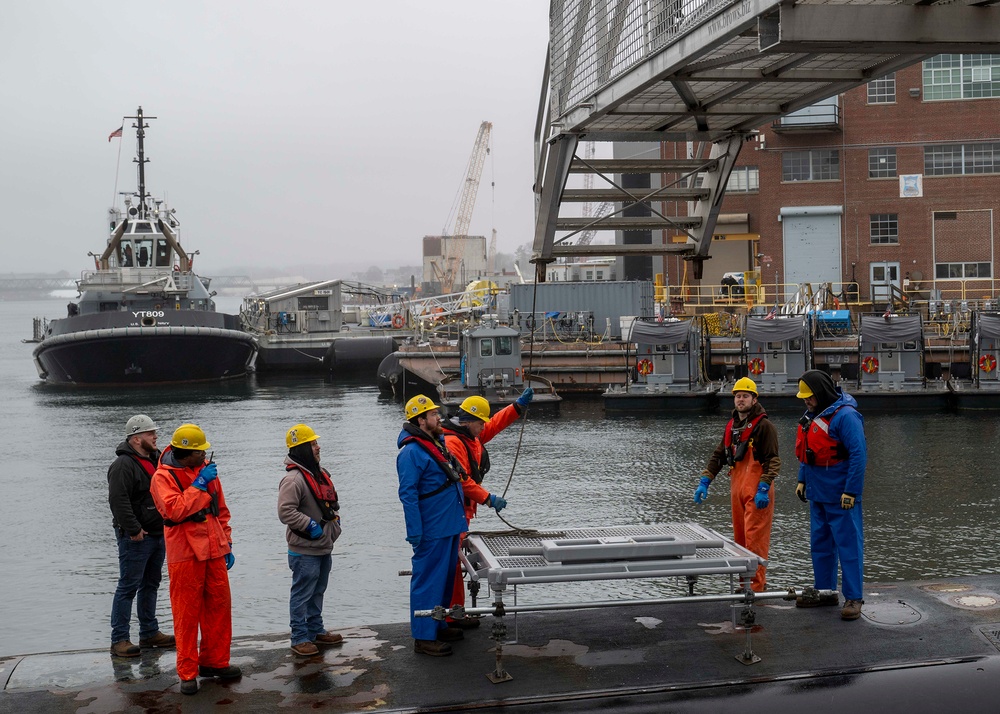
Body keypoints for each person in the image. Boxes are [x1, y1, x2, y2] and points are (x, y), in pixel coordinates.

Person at [150, 423, 240, 695]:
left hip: (213, 549)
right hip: (185, 553)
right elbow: (175, 511)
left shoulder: (207, 472)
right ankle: (187, 672)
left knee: (219, 607)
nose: (204, 455)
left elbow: (220, 510)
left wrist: (227, 542)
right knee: (186, 613)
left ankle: (214, 662)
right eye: (199, 452)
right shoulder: (162, 478)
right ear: (184, 453)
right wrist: (199, 485)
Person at [441, 388, 533, 626]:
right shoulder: (454, 443)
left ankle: (455, 612)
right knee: (452, 562)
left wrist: (517, 407)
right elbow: (462, 480)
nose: (484, 427)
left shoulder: (469, 435)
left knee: (455, 560)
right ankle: (454, 616)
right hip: (454, 510)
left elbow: (494, 425)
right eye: (480, 423)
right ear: (469, 421)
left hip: (461, 510)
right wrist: (488, 498)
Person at [396, 395, 468, 657]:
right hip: (432, 529)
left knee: (445, 578)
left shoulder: (436, 445)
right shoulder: (411, 453)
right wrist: (414, 531)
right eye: (433, 414)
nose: (439, 418)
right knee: (427, 580)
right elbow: (408, 494)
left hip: (448, 525)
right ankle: (424, 637)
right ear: (421, 419)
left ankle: (437, 624)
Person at [693, 377, 780, 592]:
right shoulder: (731, 426)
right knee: (740, 541)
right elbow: (718, 456)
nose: (741, 400)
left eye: (745, 396)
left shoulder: (764, 426)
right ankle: (744, 584)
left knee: (755, 541)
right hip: (737, 489)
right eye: (738, 396)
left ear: (754, 399)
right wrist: (705, 480)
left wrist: (764, 487)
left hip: (757, 490)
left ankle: (757, 587)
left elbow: (773, 460)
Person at [794, 370, 868, 621]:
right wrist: (802, 480)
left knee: (849, 546)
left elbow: (859, 455)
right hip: (817, 493)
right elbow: (808, 450)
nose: (805, 400)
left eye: (809, 396)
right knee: (821, 545)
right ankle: (826, 591)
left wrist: (851, 490)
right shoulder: (811, 415)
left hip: (840, 494)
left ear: (820, 393)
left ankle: (854, 597)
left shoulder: (846, 417)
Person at [108, 414, 175, 657]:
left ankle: (149, 632)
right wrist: (134, 529)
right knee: (128, 586)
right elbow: (118, 500)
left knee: (151, 584)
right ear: (136, 439)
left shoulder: (157, 459)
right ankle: (119, 639)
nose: (155, 436)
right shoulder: (123, 465)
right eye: (150, 433)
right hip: (136, 536)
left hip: (158, 532)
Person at [278, 424, 344, 657]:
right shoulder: (294, 480)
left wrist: (332, 527)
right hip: (304, 549)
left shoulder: (317, 473)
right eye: (313, 444)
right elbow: (285, 512)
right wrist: (310, 526)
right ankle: (299, 637)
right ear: (303, 448)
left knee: (318, 590)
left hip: (322, 547)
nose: (318, 447)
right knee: (302, 592)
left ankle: (316, 630)